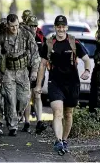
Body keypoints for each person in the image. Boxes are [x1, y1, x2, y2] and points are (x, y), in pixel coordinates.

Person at [34, 15, 91, 153]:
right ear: (55, 27)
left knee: (68, 113)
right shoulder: (49, 43)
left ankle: (64, 140)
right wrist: (38, 86)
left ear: (66, 27)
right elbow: (42, 65)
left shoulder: (74, 42)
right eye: (58, 26)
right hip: (55, 82)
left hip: (72, 83)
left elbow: (86, 59)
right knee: (57, 112)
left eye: (63, 26)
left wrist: (87, 71)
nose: (60, 29)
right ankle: (58, 141)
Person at [0, 14, 40, 136]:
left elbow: (35, 53)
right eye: (12, 26)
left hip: (23, 71)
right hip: (8, 72)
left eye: (17, 26)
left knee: (24, 99)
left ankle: (17, 117)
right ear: (7, 25)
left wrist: (34, 70)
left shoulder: (26, 34)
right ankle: (13, 126)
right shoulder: (1, 37)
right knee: (10, 99)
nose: (14, 28)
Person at [21, 15, 47, 134]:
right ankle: (27, 122)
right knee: (27, 96)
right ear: (27, 26)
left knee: (37, 95)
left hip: (39, 71)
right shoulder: (22, 37)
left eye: (35, 26)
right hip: (25, 70)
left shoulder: (41, 38)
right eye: (31, 25)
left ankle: (39, 121)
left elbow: (45, 57)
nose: (33, 28)